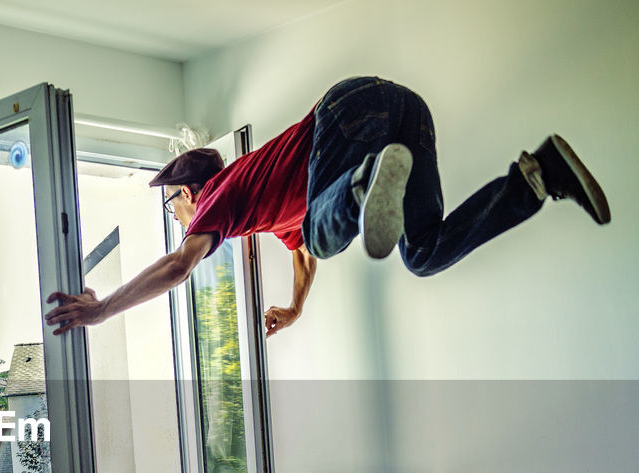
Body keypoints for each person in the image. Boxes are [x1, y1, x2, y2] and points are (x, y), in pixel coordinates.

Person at [45, 75, 610, 339]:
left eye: (174, 209)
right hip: (402, 110)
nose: (180, 219)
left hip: (347, 113)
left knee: (323, 231)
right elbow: (303, 255)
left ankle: (363, 182)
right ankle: (537, 177)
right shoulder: (262, 201)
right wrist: (295, 308)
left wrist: (100, 311)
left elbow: (178, 266)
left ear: (190, 193)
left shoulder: (217, 201)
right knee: (424, 253)